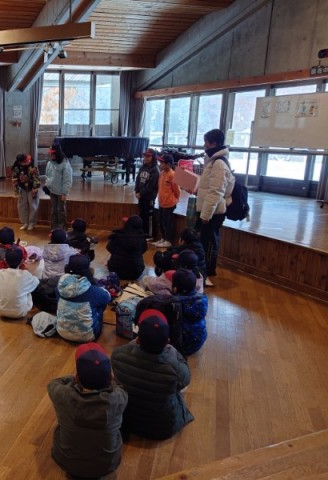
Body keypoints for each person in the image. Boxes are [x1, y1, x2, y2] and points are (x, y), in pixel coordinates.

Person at [47, 343, 128, 479]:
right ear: (110, 377)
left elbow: (53, 383)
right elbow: (119, 387)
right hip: (106, 466)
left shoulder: (62, 394)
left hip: (67, 462)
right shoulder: (119, 398)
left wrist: (73, 378)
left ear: (77, 378)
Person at [111, 310, 194, 439]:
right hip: (161, 427)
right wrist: (173, 352)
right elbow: (186, 380)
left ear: (138, 340)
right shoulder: (175, 367)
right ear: (167, 341)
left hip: (126, 421)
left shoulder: (117, 354)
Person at [195, 129, 235, 287]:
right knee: (204, 242)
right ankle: (202, 272)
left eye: (206, 142)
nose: (204, 145)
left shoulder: (219, 164)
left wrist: (206, 214)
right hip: (209, 210)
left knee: (209, 244)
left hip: (213, 212)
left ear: (214, 143)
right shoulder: (213, 161)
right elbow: (208, 187)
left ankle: (207, 273)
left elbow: (216, 192)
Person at [56, 254, 111, 343]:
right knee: (101, 304)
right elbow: (107, 298)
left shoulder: (60, 285)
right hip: (88, 336)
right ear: (88, 270)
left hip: (61, 332)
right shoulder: (92, 290)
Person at [170, 268, 208, 355]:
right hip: (199, 340)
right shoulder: (203, 298)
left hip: (183, 345)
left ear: (176, 286)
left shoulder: (176, 302)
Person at [0, 247, 40, 319]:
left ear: (5, 260)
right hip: (20, 312)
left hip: (0, 310)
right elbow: (36, 282)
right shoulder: (25, 274)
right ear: (22, 261)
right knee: (28, 291)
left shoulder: (0, 272)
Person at [106, 215, 148, 281]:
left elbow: (109, 247)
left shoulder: (118, 235)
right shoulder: (142, 238)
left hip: (116, 271)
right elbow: (144, 250)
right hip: (135, 273)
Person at [153, 154, 180, 248]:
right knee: (161, 222)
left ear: (168, 164)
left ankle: (168, 240)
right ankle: (163, 238)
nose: (160, 164)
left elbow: (177, 190)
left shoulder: (172, 174)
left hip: (169, 203)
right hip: (161, 202)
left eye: (162, 163)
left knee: (167, 223)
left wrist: (175, 199)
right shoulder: (162, 173)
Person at [44, 144, 73, 230]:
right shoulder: (49, 163)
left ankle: (61, 228)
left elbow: (67, 179)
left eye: (52, 153)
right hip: (52, 191)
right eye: (50, 153)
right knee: (53, 210)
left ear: (57, 153)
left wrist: (65, 193)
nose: (51, 154)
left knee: (61, 210)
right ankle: (54, 227)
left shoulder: (65, 164)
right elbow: (47, 176)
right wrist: (47, 186)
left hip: (61, 192)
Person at [11, 153, 40, 231]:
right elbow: (14, 179)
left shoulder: (33, 166)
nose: (28, 161)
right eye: (25, 161)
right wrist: (17, 191)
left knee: (33, 206)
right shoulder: (16, 168)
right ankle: (25, 223)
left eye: (27, 160)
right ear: (20, 162)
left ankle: (32, 223)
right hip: (22, 188)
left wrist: (35, 188)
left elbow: (36, 178)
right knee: (22, 206)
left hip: (32, 188)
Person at [135, 148, 160, 239]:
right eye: (145, 156)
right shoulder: (143, 167)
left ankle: (149, 235)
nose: (146, 158)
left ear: (153, 157)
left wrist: (141, 193)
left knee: (148, 216)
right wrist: (137, 191)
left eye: (148, 156)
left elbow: (151, 185)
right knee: (142, 215)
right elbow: (138, 179)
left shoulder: (155, 170)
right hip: (141, 196)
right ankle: (142, 232)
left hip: (149, 197)